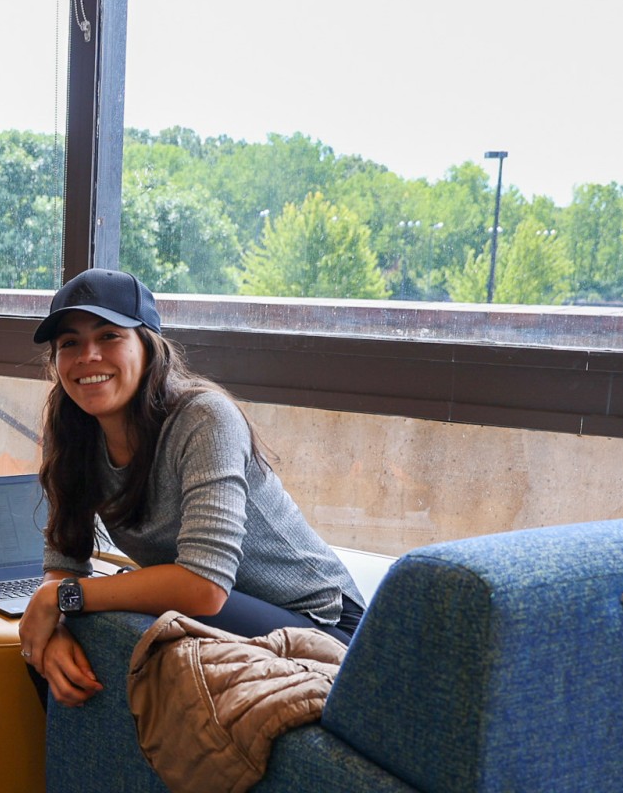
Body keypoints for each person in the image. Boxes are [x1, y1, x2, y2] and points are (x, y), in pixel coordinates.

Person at [18, 268, 364, 708]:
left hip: (322, 627)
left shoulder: (204, 418)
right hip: (222, 611)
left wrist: (61, 598)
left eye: (108, 336)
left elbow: (205, 585)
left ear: (148, 345)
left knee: (106, 613)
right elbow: (65, 559)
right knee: (53, 651)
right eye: (69, 343)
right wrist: (59, 625)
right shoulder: (73, 430)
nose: (88, 355)